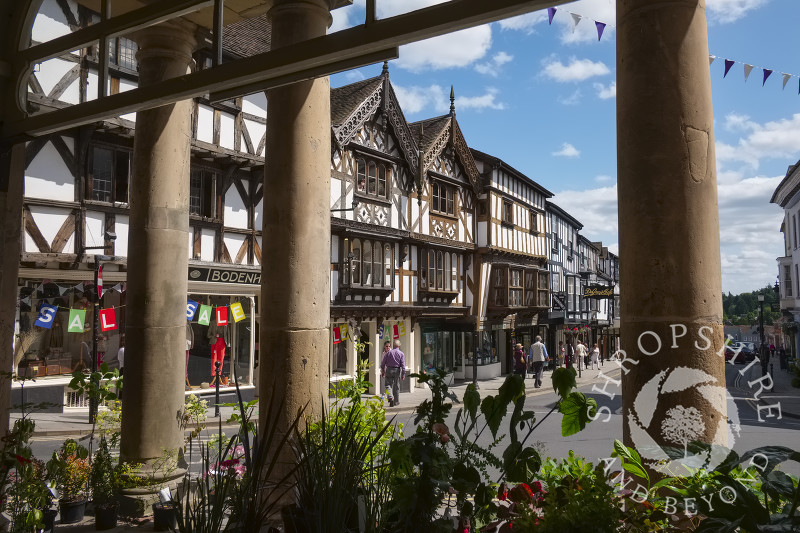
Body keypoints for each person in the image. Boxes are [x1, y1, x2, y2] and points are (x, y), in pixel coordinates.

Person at [381, 339, 406, 407]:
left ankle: (390, 397)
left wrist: (383, 370)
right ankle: (396, 401)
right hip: (397, 370)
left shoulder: (389, 353)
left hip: (389, 369)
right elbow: (403, 365)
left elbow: (383, 363)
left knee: (388, 384)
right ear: (399, 346)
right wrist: (403, 374)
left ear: (393, 345)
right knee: (396, 385)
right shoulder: (401, 353)